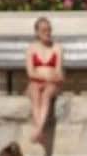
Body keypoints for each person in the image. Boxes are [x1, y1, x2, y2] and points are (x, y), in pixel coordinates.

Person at [24, 17, 64, 146]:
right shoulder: (31, 48)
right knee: (35, 93)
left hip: (52, 84)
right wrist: (45, 78)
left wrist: (50, 80)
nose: (47, 33)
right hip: (36, 82)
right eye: (43, 30)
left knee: (46, 95)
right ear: (37, 32)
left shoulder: (57, 48)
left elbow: (59, 73)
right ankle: (40, 130)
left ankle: (38, 130)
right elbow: (30, 72)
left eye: (49, 30)